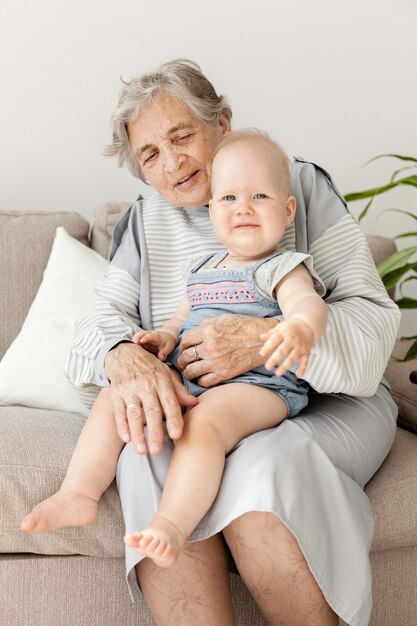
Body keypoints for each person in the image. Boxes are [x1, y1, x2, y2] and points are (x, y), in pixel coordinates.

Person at [27, 59, 401, 626]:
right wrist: (123, 356)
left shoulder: (294, 183)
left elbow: (373, 324)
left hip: (324, 399)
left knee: (263, 464)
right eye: (150, 154)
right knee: (145, 452)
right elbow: (99, 322)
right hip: (208, 399)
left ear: (221, 123)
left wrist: (268, 339)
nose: (172, 163)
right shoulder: (144, 220)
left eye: (182, 137)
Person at [22, 131, 328, 573]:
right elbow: (177, 320)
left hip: (258, 387)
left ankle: (171, 523)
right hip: (193, 379)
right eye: (228, 197)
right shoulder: (203, 267)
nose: (242, 207)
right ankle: (79, 493)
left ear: (287, 210)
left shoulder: (282, 266)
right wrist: (162, 339)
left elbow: (308, 304)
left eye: (259, 196)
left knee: (205, 423)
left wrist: (298, 329)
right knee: (116, 395)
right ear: (212, 209)